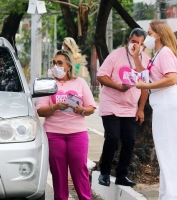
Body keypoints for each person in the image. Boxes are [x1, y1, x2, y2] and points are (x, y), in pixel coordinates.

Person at [132, 20, 177, 200]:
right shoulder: (158, 53)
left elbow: (171, 79)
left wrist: (146, 85)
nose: (146, 37)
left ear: (158, 34)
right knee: (166, 149)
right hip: (162, 102)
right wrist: (136, 57)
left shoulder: (165, 53)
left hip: (167, 102)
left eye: (149, 33)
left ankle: (175, 195)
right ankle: (169, 193)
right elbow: (148, 75)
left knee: (170, 149)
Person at [37, 49, 96, 200]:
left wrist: (82, 109)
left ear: (68, 66)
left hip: (77, 133)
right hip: (54, 134)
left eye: (60, 63)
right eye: (54, 63)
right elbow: (40, 111)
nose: (56, 65)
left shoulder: (80, 83)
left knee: (79, 171)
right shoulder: (47, 84)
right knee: (58, 174)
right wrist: (55, 107)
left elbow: (91, 108)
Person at [96, 28, 149, 187]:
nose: (135, 45)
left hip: (129, 108)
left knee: (129, 140)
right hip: (110, 104)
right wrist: (117, 86)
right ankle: (104, 172)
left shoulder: (145, 60)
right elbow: (101, 76)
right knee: (112, 137)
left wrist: (140, 109)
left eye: (139, 43)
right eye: (133, 41)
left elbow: (145, 87)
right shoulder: (116, 55)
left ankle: (121, 175)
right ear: (128, 41)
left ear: (143, 46)